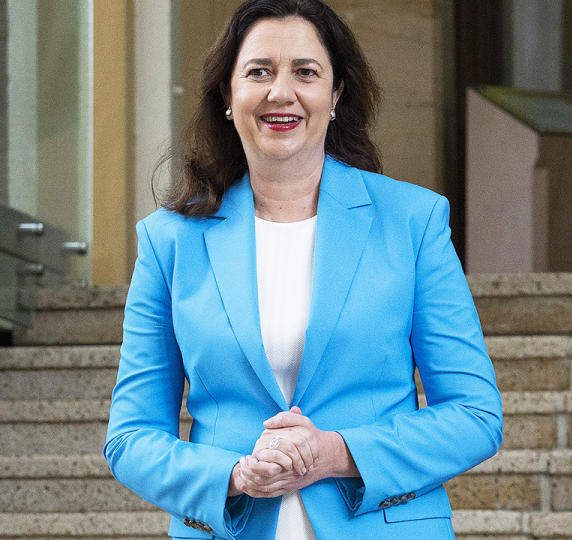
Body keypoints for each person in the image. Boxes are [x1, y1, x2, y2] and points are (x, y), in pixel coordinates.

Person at [103, 1, 502, 538]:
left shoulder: (413, 220)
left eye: (306, 72)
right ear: (228, 94)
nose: (281, 92)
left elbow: (475, 415)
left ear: (335, 95)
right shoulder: (169, 240)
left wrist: (334, 453)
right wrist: (235, 474)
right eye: (259, 71)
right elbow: (130, 437)